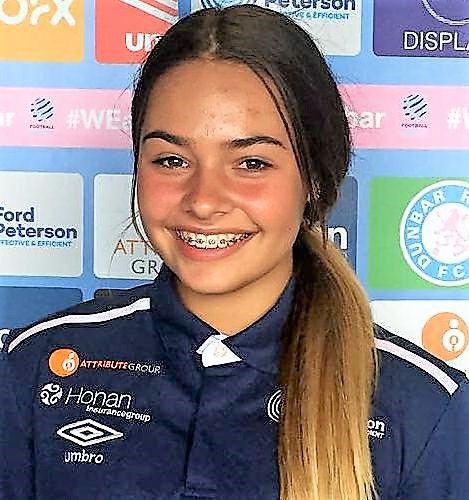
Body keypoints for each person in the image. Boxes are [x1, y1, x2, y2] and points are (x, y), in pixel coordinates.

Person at [1, 5, 468, 500]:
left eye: (251, 163)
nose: (204, 201)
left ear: (314, 178)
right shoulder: (35, 365)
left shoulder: (425, 410)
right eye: (171, 160)